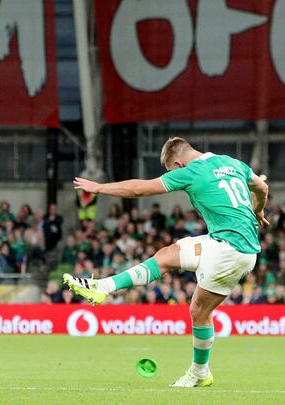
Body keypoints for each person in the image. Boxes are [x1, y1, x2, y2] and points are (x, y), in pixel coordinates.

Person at [65, 137, 269, 389]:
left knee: (199, 312)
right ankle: (103, 287)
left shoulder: (191, 171)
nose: (173, 176)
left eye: (171, 171)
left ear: (178, 163)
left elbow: (140, 189)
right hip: (228, 243)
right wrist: (257, 210)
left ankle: (199, 373)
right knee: (166, 255)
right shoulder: (232, 163)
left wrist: (99, 188)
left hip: (230, 251)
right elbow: (262, 188)